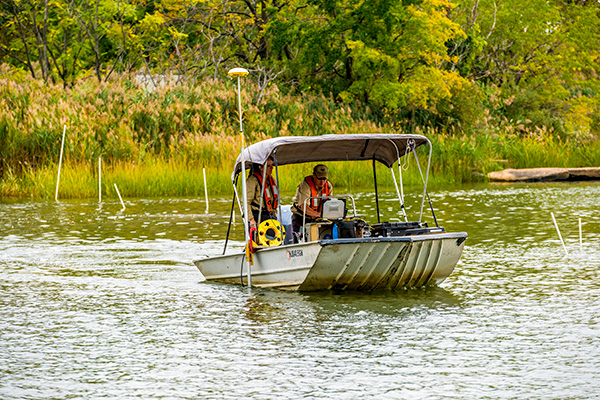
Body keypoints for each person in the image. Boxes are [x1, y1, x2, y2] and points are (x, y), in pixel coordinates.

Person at [291, 164, 333, 236]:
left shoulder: (328, 186)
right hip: (301, 218)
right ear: (314, 175)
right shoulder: (305, 186)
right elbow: (304, 207)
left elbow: (329, 204)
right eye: (319, 178)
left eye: (324, 179)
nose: (322, 182)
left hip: (318, 219)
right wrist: (318, 214)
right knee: (300, 239)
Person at [245, 156, 279, 230]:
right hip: (258, 216)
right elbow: (246, 202)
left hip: (270, 216)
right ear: (260, 167)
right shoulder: (252, 181)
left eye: (272, 165)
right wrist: (251, 220)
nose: (272, 168)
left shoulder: (270, 180)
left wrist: (274, 215)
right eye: (268, 166)